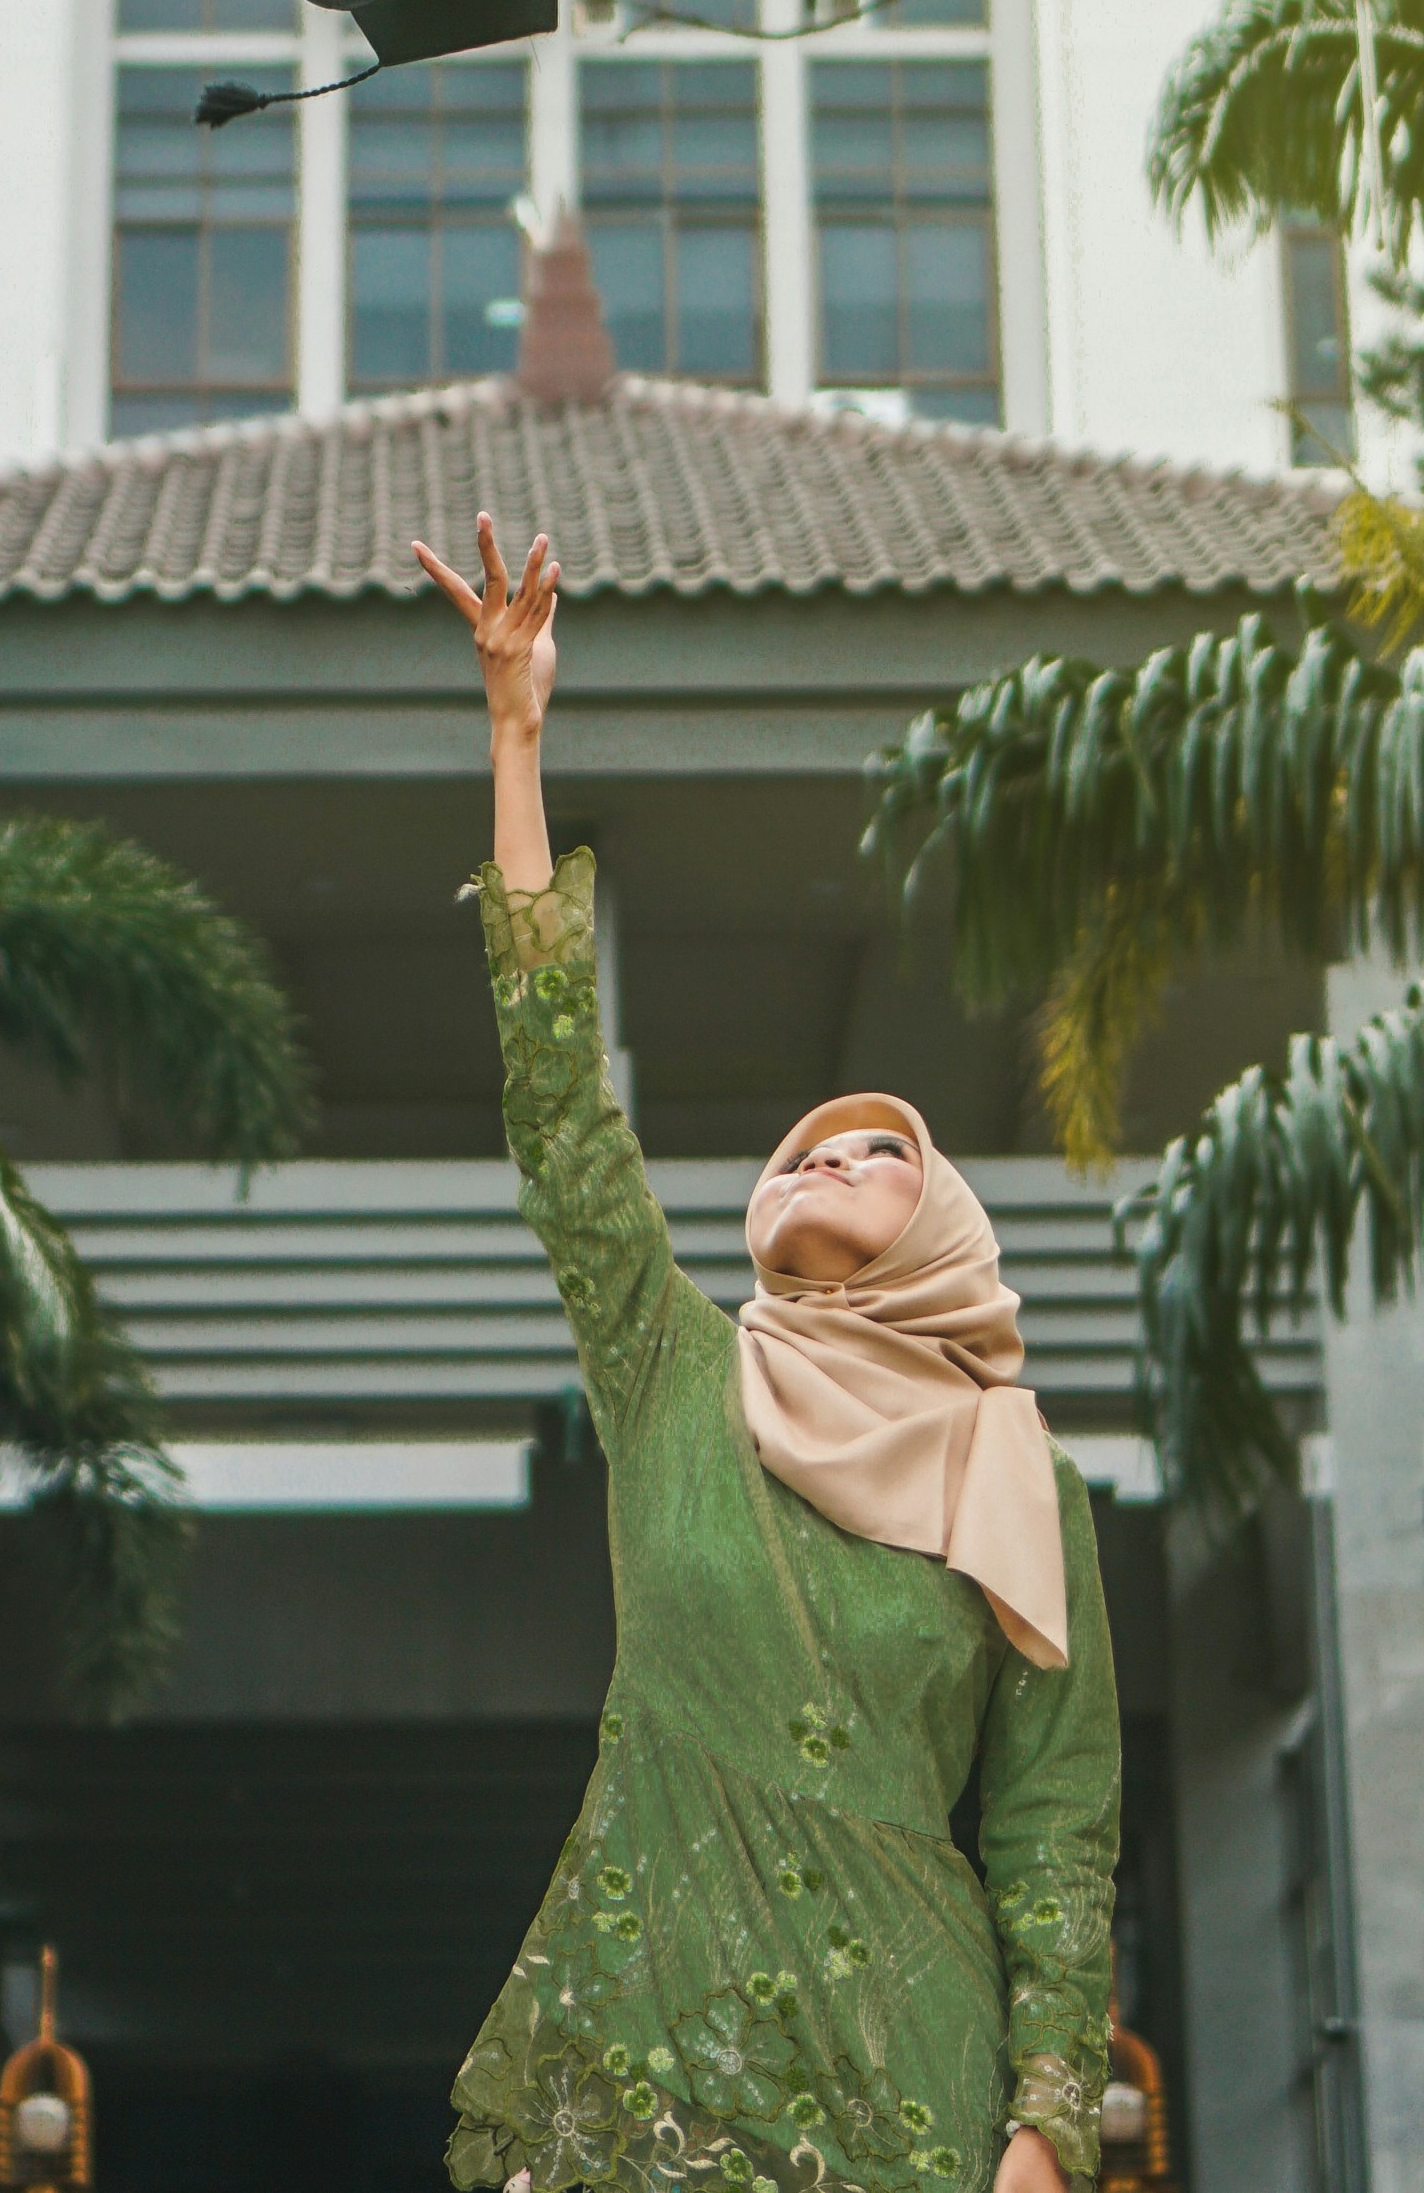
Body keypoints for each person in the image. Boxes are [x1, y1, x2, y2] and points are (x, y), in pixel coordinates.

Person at [413, 514, 1121, 2193]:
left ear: (947, 1225)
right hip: (643, 2062)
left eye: (877, 1150)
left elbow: (1053, 1820)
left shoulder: (1022, 1479)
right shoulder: (679, 1374)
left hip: (913, 2096)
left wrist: (1043, 2122)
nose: (820, 1156)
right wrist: (518, 737)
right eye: (802, 1147)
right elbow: (563, 1125)